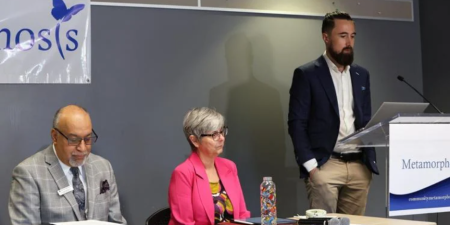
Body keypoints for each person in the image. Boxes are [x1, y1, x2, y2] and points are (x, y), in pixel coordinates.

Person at [288, 11, 379, 215]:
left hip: (358, 166)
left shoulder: (361, 75)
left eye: (352, 36)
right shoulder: (307, 74)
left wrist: (367, 164)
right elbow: (297, 123)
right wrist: (312, 169)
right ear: (326, 37)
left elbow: (365, 119)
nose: (349, 42)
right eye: (343, 35)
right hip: (325, 165)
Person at [9, 105, 127, 225]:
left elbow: (116, 221)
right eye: (74, 140)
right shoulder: (29, 173)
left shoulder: (103, 167)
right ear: (55, 136)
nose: (82, 148)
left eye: (87, 139)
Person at [168, 107, 250, 224]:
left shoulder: (229, 166)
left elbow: (242, 215)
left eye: (221, 131)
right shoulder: (183, 173)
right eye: (214, 134)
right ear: (195, 140)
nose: (221, 138)